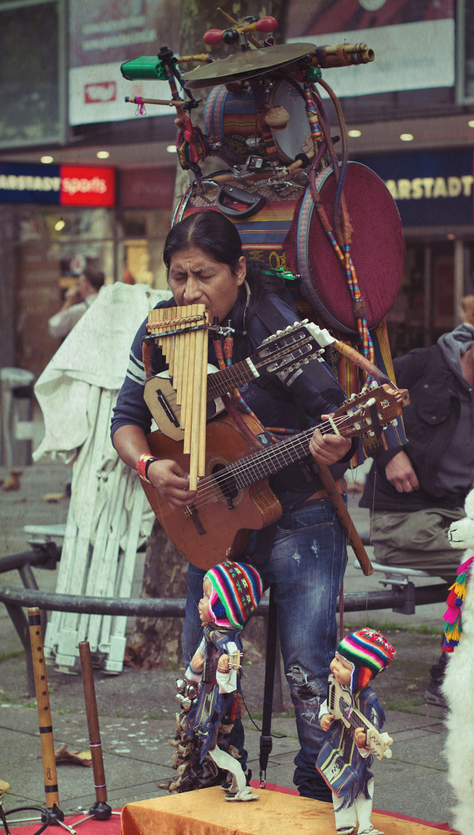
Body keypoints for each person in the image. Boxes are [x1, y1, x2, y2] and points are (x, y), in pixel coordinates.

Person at [111, 211, 354, 802]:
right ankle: (215, 776)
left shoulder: (277, 325)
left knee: (310, 668)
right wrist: (148, 466)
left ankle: (324, 789)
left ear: (239, 270)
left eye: (205, 275)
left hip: (301, 513)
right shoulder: (158, 332)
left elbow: (341, 422)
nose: (189, 291)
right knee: (204, 660)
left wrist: (339, 440)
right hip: (214, 523)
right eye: (178, 276)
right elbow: (125, 422)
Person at [359, 302, 474, 707]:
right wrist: (389, 453)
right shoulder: (426, 366)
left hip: (460, 515)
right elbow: (361, 397)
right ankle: (448, 676)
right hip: (401, 517)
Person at [169, 561, 262, 801]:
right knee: (206, 737)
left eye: (207, 596)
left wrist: (226, 665)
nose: (200, 602)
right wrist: (193, 670)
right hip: (207, 694)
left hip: (222, 699)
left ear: (222, 606)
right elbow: (199, 656)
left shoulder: (226, 637)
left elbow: (235, 656)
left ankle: (238, 778)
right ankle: (230, 780)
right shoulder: (209, 631)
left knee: (221, 738)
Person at [317, 628, 395, 835]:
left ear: (361, 675)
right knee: (339, 782)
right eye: (336, 659)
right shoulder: (335, 683)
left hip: (356, 752)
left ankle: (365, 825)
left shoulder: (369, 701)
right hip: (338, 743)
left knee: (361, 784)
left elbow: (374, 728)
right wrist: (323, 716)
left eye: (344, 666)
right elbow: (327, 705)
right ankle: (344, 822)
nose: (335, 667)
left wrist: (364, 741)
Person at [48, 266, 105, 340]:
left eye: (79, 284)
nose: (78, 288)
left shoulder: (78, 311)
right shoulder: (109, 307)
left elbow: (54, 328)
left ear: (86, 285)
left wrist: (69, 302)